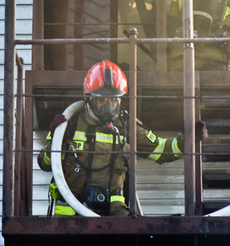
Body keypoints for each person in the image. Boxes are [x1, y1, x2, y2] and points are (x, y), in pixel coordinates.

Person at [37, 59, 204, 216]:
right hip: (71, 208)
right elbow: (45, 164)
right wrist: (56, 137)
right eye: (102, 99)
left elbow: (161, 150)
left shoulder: (126, 124)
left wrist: (189, 138)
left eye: (113, 99)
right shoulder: (70, 122)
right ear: (89, 98)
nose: (109, 105)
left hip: (112, 207)